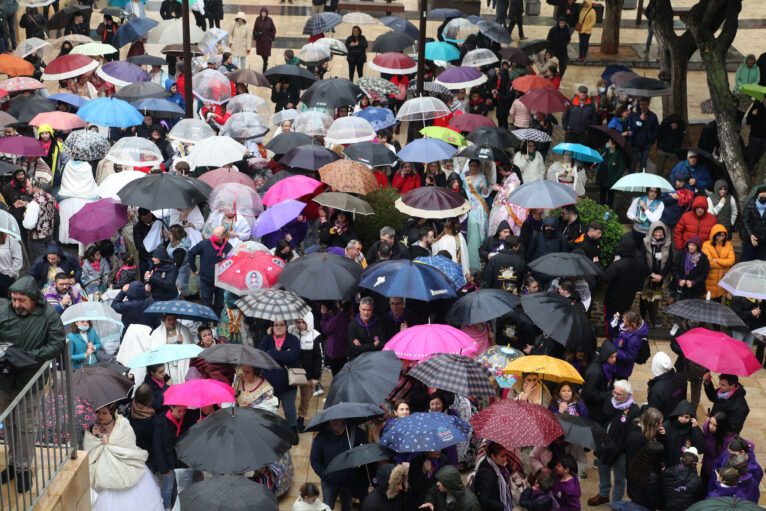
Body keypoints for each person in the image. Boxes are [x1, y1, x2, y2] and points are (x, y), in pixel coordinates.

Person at [0, 276, 65, 491]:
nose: (16, 304)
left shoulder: (48, 315)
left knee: (26, 426)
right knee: (9, 423)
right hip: (5, 380)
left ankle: (24, 468)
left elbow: (57, 343)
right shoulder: (4, 311)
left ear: (34, 299)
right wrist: (6, 354)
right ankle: (12, 463)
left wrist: (28, 357)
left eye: (21, 300)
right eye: (14, 299)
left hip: (30, 381)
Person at [84, 405, 164, 511]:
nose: (100, 416)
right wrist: (94, 436)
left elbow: (128, 442)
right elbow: (89, 448)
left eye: (104, 413)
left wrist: (110, 442)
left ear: (111, 413)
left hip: (124, 465)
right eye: (98, 412)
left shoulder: (122, 424)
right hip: (103, 468)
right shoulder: (94, 426)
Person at [588, 379, 640, 506]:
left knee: (619, 478)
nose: (615, 396)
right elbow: (600, 419)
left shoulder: (634, 411)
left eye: (619, 394)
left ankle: (617, 501)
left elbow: (632, 434)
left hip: (620, 450)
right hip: (604, 445)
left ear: (628, 395)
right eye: (614, 392)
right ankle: (603, 494)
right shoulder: (608, 401)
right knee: (603, 470)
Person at [310, 419, 367, 511]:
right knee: (327, 507)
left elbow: (365, 448)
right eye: (332, 419)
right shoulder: (321, 438)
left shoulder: (355, 433)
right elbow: (314, 461)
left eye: (337, 419)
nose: (334, 421)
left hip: (349, 481)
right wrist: (326, 475)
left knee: (347, 506)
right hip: (329, 482)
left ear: (344, 419)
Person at [153, 404, 194, 510]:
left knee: (180, 489)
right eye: (179, 411)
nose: (182, 414)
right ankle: (166, 508)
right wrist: (163, 468)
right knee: (168, 488)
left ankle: (177, 508)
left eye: (184, 411)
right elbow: (158, 447)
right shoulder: (160, 422)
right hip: (168, 463)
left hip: (182, 462)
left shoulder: (188, 419)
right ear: (171, 407)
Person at [290, 313, 323, 432]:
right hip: (292, 372)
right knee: (290, 398)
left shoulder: (316, 336)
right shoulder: (291, 331)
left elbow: (320, 358)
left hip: (308, 375)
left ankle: (301, 420)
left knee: (305, 399)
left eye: (303, 322)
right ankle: (291, 420)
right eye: (298, 322)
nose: (300, 325)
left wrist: (316, 376)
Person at [188, 225, 231, 315]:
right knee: (206, 305)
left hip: (221, 282)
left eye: (217, 236)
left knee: (219, 305)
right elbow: (191, 253)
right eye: (213, 234)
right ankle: (206, 325)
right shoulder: (205, 244)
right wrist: (194, 268)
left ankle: (216, 324)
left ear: (224, 236)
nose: (214, 237)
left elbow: (232, 261)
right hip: (206, 280)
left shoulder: (228, 247)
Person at [461, 159, 491, 270]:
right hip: (466, 201)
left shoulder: (482, 176)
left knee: (480, 224)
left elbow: (485, 193)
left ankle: (480, 247)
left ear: (478, 167)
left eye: (475, 166)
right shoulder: (463, 176)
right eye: (471, 166)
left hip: (478, 204)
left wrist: (483, 187)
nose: (473, 168)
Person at [658, 399, 705, 467]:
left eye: (686, 417)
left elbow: (701, 448)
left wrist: (694, 429)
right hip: (668, 465)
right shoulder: (667, 426)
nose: (683, 419)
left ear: (691, 418)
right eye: (681, 416)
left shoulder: (694, 428)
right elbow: (660, 446)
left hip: (685, 467)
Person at [581, 341, 617, 425]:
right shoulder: (595, 373)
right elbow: (590, 394)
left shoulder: (607, 366)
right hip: (593, 409)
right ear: (605, 357)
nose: (614, 359)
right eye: (612, 357)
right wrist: (609, 394)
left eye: (615, 356)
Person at [22, 178, 56, 263]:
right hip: (48, 236)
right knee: (48, 261)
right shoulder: (49, 196)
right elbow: (43, 210)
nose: (26, 189)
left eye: (28, 187)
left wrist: (25, 216)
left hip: (36, 240)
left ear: (35, 187)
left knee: (39, 263)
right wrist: (26, 204)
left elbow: (29, 225)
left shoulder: (34, 204)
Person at [472, 442, 513, 511]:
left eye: (506, 455)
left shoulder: (499, 465)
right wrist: (501, 506)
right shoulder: (486, 475)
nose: (505, 459)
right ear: (493, 456)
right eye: (502, 456)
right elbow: (485, 500)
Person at [647, 351, 687, 419]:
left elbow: (653, 414)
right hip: (678, 418)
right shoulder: (681, 378)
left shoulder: (656, 389)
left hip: (664, 423)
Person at [702, 224, 735, 299]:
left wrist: (717, 260)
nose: (721, 238)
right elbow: (709, 263)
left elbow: (731, 261)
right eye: (719, 235)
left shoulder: (728, 245)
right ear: (714, 235)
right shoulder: (706, 245)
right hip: (709, 279)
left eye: (723, 235)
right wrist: (724, 264)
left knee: (719, 300)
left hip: (721, 279)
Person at [611, 311, 648, 379]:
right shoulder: (627, 329)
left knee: (622, 385)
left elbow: (630, 356)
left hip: (623, 369)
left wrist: (615, 351)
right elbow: (618, 330)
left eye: (625, 323)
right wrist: (615, 320)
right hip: (616, 363)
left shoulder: (634, 340)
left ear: (632, 324)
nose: (623, 323)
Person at [673, 236, 709, 301]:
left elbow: (704, 274)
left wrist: (694, 282)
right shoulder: (681, 254)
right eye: (689, 244)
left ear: (698, 246)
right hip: (682, 289)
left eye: (693, 245)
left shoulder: (703, 258)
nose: (691, 247)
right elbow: (674, 268)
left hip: (696, 290)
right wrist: (679, 280)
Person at [629, 97, 659, 172]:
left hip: (647, 143)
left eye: (645, 104)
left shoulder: (653, 116)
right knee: (633, 162)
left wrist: (652, 139)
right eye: (641, 104)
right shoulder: (635, 115)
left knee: (643, 164)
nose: (643, 106)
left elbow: (655, 129)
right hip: (636, 143)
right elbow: (633, 129)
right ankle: (631, 180)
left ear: (648, 105)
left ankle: (642, 180)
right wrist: (640, 120)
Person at [597, 138, 627, 208]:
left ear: (614, 145)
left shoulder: (619, 154)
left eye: (609, 142)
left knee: (610, 196)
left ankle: (609, 210)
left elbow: (621, 168)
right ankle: (602, 208)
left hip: (611, 179)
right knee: (602, 194)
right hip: (602, 176)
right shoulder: (605, 151)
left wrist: (615, 178)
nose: (608, 143)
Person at [740, 184, 766, 261]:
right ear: (757, 196)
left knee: (762, 261)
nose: (764, 197)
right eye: (762, 195)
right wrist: (751, 234)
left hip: (764, 239)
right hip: (750, 239)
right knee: (746, 259)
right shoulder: (749, 206)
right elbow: (745, 221)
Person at [252, 7, 275, 73]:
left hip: (267, 40)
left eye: (265, 12)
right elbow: (255, 29)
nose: (263, 13)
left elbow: (273, 29)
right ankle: (265, 61)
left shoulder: (269, 20)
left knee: (266, 53)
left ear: (266, 13)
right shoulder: (258, 19)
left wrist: (271, 37)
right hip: (259, 40)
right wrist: (257, 34)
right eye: (262, 12)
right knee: (261, 53)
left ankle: (265, 64)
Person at [0, 231, 22, 298]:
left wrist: (10, 274)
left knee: (7, 300)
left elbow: (18, 260)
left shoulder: (11, 240)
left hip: (6, 277)